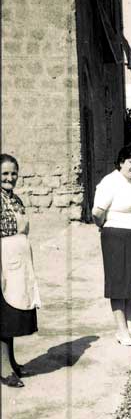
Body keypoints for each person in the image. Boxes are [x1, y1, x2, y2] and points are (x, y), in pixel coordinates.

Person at [92, 145, 131, 346]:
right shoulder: (110, 182)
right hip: (116, 237)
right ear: (121, 162)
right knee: (119, 284)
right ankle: (121, 331)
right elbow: (97, 213)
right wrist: (105, 227)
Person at [0, 154, 40, 387]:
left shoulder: (15, 199)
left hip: (19, 264)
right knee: (4, 315)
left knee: (14, 312)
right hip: (4, 264)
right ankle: (4, 369)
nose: (10, 178)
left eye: (13, 173)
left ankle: (11, 362)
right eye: (4, 173)